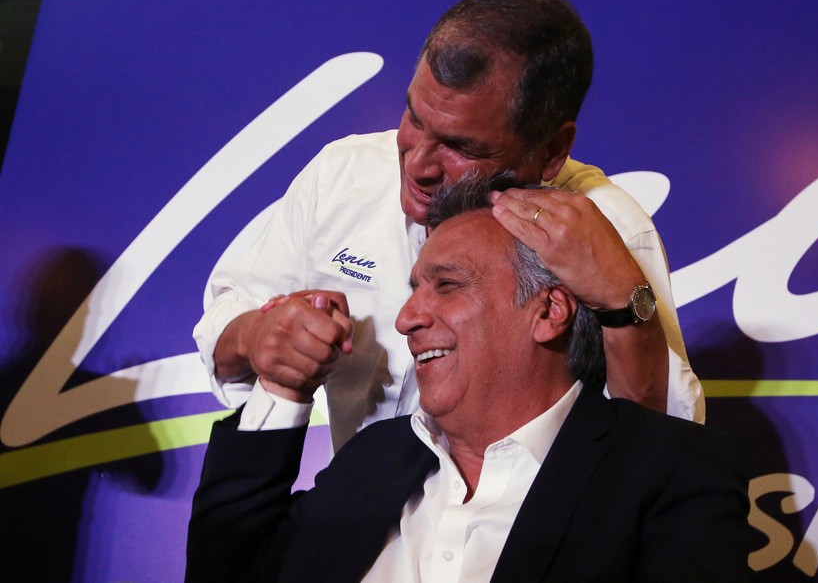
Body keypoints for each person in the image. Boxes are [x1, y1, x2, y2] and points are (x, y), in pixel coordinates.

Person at [193, 0, 703, 453]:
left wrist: (620, 301)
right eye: (415, 116)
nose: (417, 164)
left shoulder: (607, 227)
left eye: (461, 146)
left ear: (551, 150)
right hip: (360, 529)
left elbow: (666, 445)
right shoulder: (344, 175)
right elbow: (224, 325)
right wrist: (257, 337)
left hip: (524, 542)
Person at [186, 175, 753, 582]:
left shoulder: (670, 472)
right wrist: (285, 390)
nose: (407, 318)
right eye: (413, 289)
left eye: (448, 285)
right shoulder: (376, 458)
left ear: (549, 311)